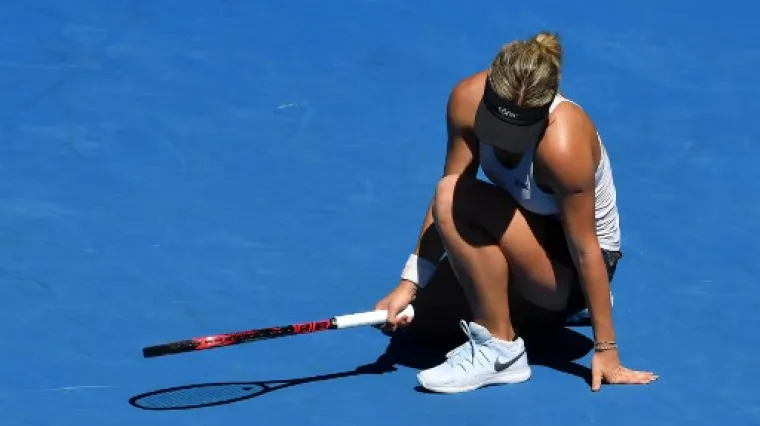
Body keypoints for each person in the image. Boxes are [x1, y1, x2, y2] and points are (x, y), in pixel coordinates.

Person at [374, 31, 657, 393]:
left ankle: (503, 351)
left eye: (518, 131)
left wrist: (607, 349)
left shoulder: (563, 145)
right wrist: (410, 283)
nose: (503, 140)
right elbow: (452, 196)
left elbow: (586, 248)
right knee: (425, 323)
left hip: (570, 265)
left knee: (449, 195)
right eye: (497, 125)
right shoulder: (465, 99)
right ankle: (555, 313)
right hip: (525, 234)